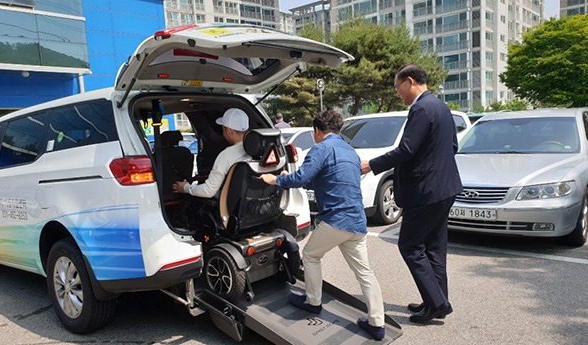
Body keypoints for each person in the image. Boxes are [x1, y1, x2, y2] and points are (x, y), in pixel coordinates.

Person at [261, 110, 385, 341]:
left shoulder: (320, 149)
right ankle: (377, 323)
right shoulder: (350, 150)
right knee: (364, 273)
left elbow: (301, 178)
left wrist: (275, 179)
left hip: (335, 220)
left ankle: (312, 301)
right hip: (357, 221)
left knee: (310, 255)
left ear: (318, 131)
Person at [361, 64, 463, 323]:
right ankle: (436, 300)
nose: (398, 94)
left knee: (409, 245)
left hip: (426, 192)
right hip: (445, 188)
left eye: (398, 88)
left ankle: (437, 302)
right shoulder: (441, 106)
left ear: (409, 81)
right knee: (434, 248)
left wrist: (371, 165)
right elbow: (453, 145)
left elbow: (406, 150)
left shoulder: (420, 108)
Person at [172, 108, 251, 198]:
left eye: (223, 130)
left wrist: (185, 188)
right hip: (254, 205)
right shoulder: (259, 151)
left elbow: (209, 191)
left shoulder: (226, 155)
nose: (222, 133)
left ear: (229, 131)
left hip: (230, 208)